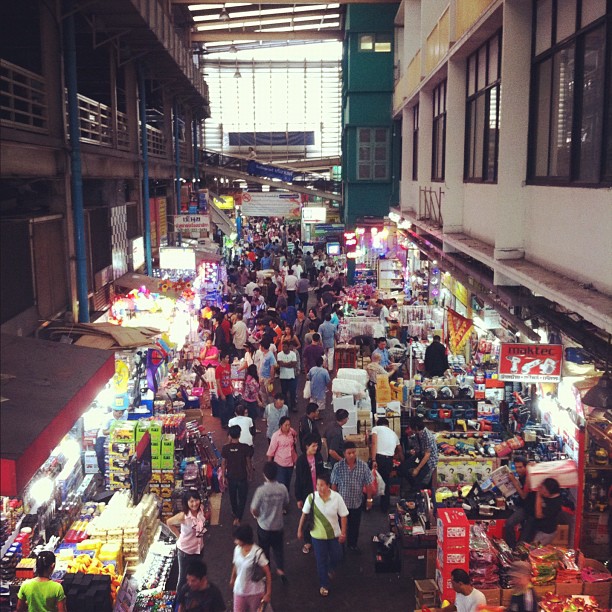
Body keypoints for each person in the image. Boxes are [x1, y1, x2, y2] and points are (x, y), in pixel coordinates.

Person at [297, 472, 348, 598]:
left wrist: (343, 532)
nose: (319, 488)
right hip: (317, 536)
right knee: (321, 560)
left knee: (337, 556)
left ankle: (330, 568)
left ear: (328, 486)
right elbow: (304, 515)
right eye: (317, 485)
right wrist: (299, 530)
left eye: (322, 485)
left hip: (334, 535)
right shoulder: (311, 498)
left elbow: (343, 516)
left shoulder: (337, 498)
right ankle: (324, 584)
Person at [250, 462, 290, 584]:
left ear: (264, 475)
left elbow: (254, 509)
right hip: (278, 526)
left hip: (264, 526)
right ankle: (281, 570)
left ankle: (266, 573)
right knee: (278, 550)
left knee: (264, 550)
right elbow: (286, 503)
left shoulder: (261, 491)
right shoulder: (282, 488)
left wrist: (257, 517)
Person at [331, 441, 374, 553]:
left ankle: (352, 545)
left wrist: (369, 499)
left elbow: (368, 483)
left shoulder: (363, 466)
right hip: (341, 504)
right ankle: (340, 547)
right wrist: (332, 502)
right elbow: (334, 484)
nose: (352, 455)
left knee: (354, 526)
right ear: (344, 453)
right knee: (340, 527)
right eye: (349, 453)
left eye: (354, 452)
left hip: (356, 503)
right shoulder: (338, 467)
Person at [167, 489, 208, 593]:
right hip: (186, 552)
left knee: (197, 575)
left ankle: (195, 596)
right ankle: (179, 602)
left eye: (196, 500)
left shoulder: (201, 510)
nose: (195, 503)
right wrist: (178, 535)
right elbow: (169, 522)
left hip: (199, 550)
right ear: (186, 503)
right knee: (183, 579)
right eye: (191, 501)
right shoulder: (183, 516)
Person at [230, 524, 272, 612]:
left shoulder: (257, 553)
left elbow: (267, 573)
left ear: (244, 539)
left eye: (237, 539)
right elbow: (235, 564)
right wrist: (232, 578)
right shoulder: (237, 549)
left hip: (255, 592)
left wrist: (268, 593)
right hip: (239, 590)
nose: (235, 541)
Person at [294, 434, 324, 555]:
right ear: (307, 446)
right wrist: (298, 498)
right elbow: (298, 480)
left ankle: (319, 537)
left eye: (316, 445)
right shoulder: (301, 461)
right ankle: (308, 541)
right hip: (307, 493)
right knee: (307, 517)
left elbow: (323, 472)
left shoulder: (319, 457)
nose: (316, 448)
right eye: (313, 446)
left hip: (320, 493)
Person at [221, 425, 254, 526]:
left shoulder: (225, 448)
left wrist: (223, 476)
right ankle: (238, 517)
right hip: (242, 477)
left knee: (233, 497)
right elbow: (248, 462)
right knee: (243, 498)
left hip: (231, 477)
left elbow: (223, 463)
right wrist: (250, 474)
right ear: (239, 435)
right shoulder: (245, 448)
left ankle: (235, 513)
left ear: (230, 435)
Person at [371, 418, 403, 512]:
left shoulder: (376, 428)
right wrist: (397, 456)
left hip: (378, 458)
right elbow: (399, 448)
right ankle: (384, 507)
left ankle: (368, 503)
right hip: (389, 460)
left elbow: (374, 443)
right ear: (387, 425)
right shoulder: (393, 433)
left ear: (378, 423)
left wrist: (373, 460)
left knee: (371, 480)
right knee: (385, 482)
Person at [524, 478, 563, 545]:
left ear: (550, 493)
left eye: (544, 491)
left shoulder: (555, 503)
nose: (541, 491)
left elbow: (538, 515)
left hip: (546, 532)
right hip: (537, 528)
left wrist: (538, 494)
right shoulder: (547, 493)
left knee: (535, 550)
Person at [404, 416, 438, 491]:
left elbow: (427, 455)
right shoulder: (417, 434)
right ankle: (414, 487)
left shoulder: (428, 436)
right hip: (420, 456)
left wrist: (417, 469)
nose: (410, 429)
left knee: (418, 478)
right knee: (402, 469)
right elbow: (417, 450)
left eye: (411, 428)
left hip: (430, 460)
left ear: (416, 427)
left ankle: (417, 491)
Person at [504, 456, 530, 548]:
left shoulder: (528, 478)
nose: (518, 470)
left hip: (528, 508)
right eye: (516, 467)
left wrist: (514, 481)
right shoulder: (522, 475)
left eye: (520, 467)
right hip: (522, 505)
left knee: (509, 524)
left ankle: (512, 547)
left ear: (526, 466)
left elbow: (523, 495)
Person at [266, 416, 298, 493]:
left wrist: (295, 439)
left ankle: (286, 497)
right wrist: (269, 465)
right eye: (285, 425)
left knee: (287, 482)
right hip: (280, 464)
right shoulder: (276, 436)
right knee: (282, 483)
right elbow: (271, 451)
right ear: (281, 425)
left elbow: (295, 434)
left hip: (290, 463)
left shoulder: (291, 431)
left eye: (289, 425)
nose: (288, 427)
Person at [95, 406, 127, 475]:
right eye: (119, 413)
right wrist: (114, 430)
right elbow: (104, 432)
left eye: (122, 413)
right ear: (114, 411)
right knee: (100, 452)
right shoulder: (108, 418)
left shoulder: (125, 414)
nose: (121, 415)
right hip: (104, 436)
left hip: (117, 435)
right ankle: (104, 472)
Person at [215, 351, 235, 428]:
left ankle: (229, 420)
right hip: (222, 392)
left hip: (228, 391)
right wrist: (221, 394)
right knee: (223, 408)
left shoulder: (228, 366)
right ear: (222, 358)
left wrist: (232, 386)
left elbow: (229, 378)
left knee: (231, 405)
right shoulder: (218, 369)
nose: (228, 359)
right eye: (227, 357)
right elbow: (218, 382)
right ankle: (224, 423)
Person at [277, 341, 298, 413]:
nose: (283, 348)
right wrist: (289, 363)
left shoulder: (293, 354)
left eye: (285, 346)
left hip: (291, 377)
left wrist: (285, 363)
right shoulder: (279, 354)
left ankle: (293, 406)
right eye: (283, 346)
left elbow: (294, 364)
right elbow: (280, 364)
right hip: (283, 377)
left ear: (289, 347)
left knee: (293, 393)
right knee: (284, 393)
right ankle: (285, 406)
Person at [257, 339, 277, 406]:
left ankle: (271, 406)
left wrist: (271, 378)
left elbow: (272, 367)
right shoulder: (262, 354)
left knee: (269, 393)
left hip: (267, 378)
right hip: (261, 377)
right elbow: (260, 364)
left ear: (263, 347)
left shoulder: (270, 355)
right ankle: (265, 405)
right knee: (263, 392)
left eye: (260, 346)